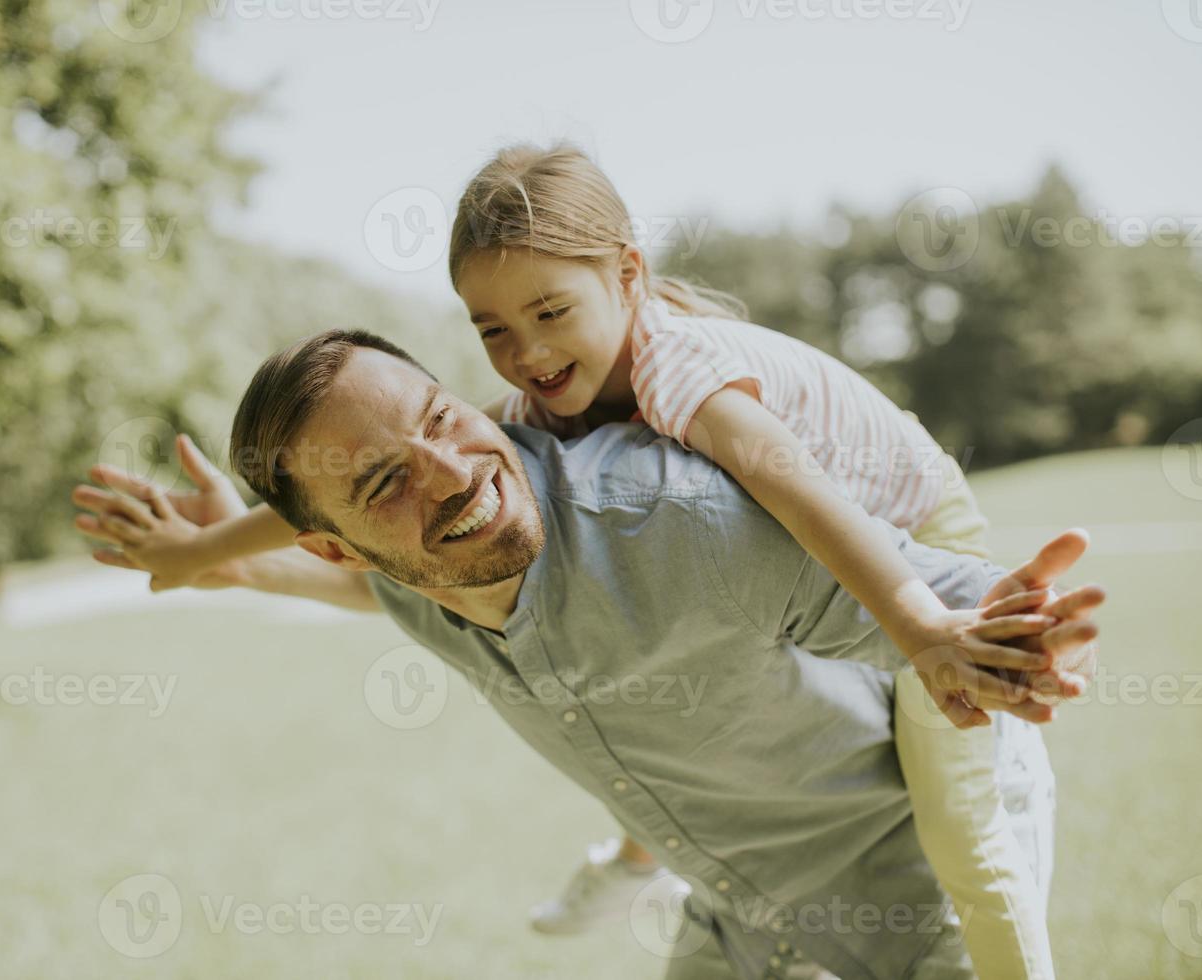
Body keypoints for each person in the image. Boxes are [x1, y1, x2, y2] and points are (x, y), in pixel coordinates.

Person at [90, 143, 1068, 978]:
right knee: (623, 650)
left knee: (965, 841)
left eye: (551, 311)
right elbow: (377, 543)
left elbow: (803, 495)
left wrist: (924, 622)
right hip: (751, 875)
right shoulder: (515, 432)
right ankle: (643, 845)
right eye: (494, 331)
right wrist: (219, 550)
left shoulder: (682, 388)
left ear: (628, 273)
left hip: (912, 528)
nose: (524, 352)